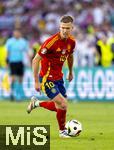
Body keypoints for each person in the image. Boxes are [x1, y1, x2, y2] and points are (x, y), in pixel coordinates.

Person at [27, 15, 76, 138]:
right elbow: (35, 60)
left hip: (59, 78)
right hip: (46, 78)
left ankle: (36, 103)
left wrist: (70, 71)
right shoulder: (50, 42)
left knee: (59, 106)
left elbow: (70, 56)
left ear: (72, 28)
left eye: (67, 28)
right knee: (63, 104)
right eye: (63, 28)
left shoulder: (71, 42)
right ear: (59, 27)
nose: (65, 30)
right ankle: (62, 132)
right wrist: (36, 81)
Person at [6, 28, 29, 100]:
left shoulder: (23, 42)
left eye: (17, 33)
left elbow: (27, 52)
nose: (16, 34)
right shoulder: (10, 41)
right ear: (13, 33)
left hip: (20, 62)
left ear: (20, 34)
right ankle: (12, 93)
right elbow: (8, 53)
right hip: (12, 62)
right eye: (15, 33)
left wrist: (28, 61)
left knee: (20, 79)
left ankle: (19, 95)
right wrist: (7, 62)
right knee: (13, 79)